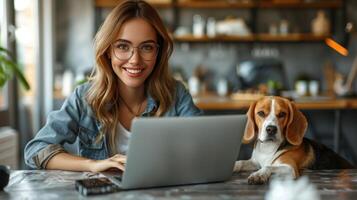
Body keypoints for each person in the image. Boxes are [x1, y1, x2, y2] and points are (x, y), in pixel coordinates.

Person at [24, 0, 202, 172]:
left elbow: (206, 146)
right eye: (123, 46)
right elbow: (36, 150)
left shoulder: (176, 94)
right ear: (108, 50)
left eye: (146, 47)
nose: (135, 60)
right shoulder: (85, 98)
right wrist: (93, 165)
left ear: (158, 52)